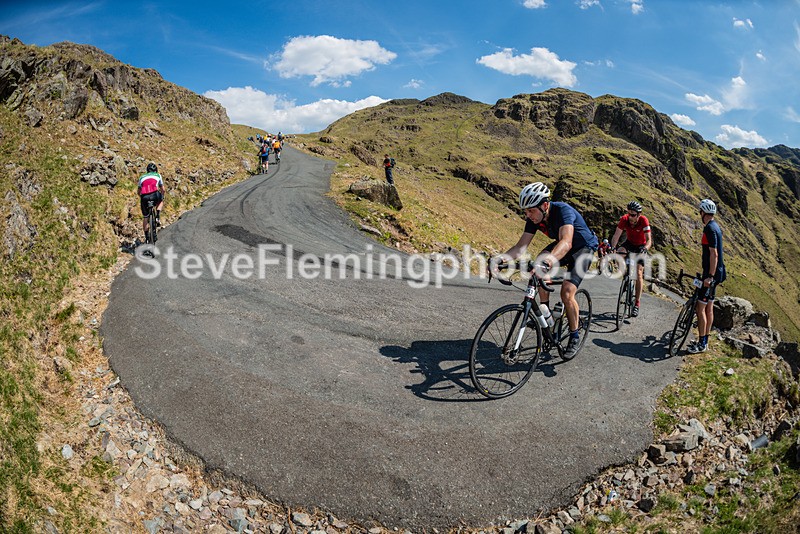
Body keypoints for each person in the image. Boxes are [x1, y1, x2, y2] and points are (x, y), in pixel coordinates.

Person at [496, 182, 599, 359]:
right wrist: (500, 259)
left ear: (545, 205)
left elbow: (566, 242)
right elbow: (520, 247)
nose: (528, 215)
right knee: (539, 266)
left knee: (567, 292)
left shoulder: (563, 211)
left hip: (583, 247)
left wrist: (549, 262)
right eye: (526, 211)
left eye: (531, 210)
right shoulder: (533, 218)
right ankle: (547, 315)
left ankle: (574, 335)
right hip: (563, 245)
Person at [688, 199, 726, 354]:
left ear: (702, 213)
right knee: (709, 307)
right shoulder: (715, 226)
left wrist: (709, 276)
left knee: (700, 308)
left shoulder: (709, 229)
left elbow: (714, 254)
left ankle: (702, 343)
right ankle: (705, 339)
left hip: (711, 275)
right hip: (719, 273)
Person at [610, 200, 652, 317]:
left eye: (633, 215)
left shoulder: (643, 220)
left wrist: (645, 248)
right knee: (619, 253)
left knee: (639, 274)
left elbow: (649, 240)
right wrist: (613, 248)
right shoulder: (624, 219)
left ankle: (637, 304)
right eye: (629, 214)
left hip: (641, 246)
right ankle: (626, 276)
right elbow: (616, 236)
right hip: (629, 243)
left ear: (639, 215)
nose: (630, 217)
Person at [138, 163, 165, 237]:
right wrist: (162, 196)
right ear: (156, 170)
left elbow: (139, 191)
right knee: (161, 201)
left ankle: (147, 237)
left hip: (144, 197)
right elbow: (163, 189)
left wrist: (142, 198)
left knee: (145, 217)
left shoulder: (141, 177)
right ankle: (157, 216)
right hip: (154, 194)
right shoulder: (158, 175)